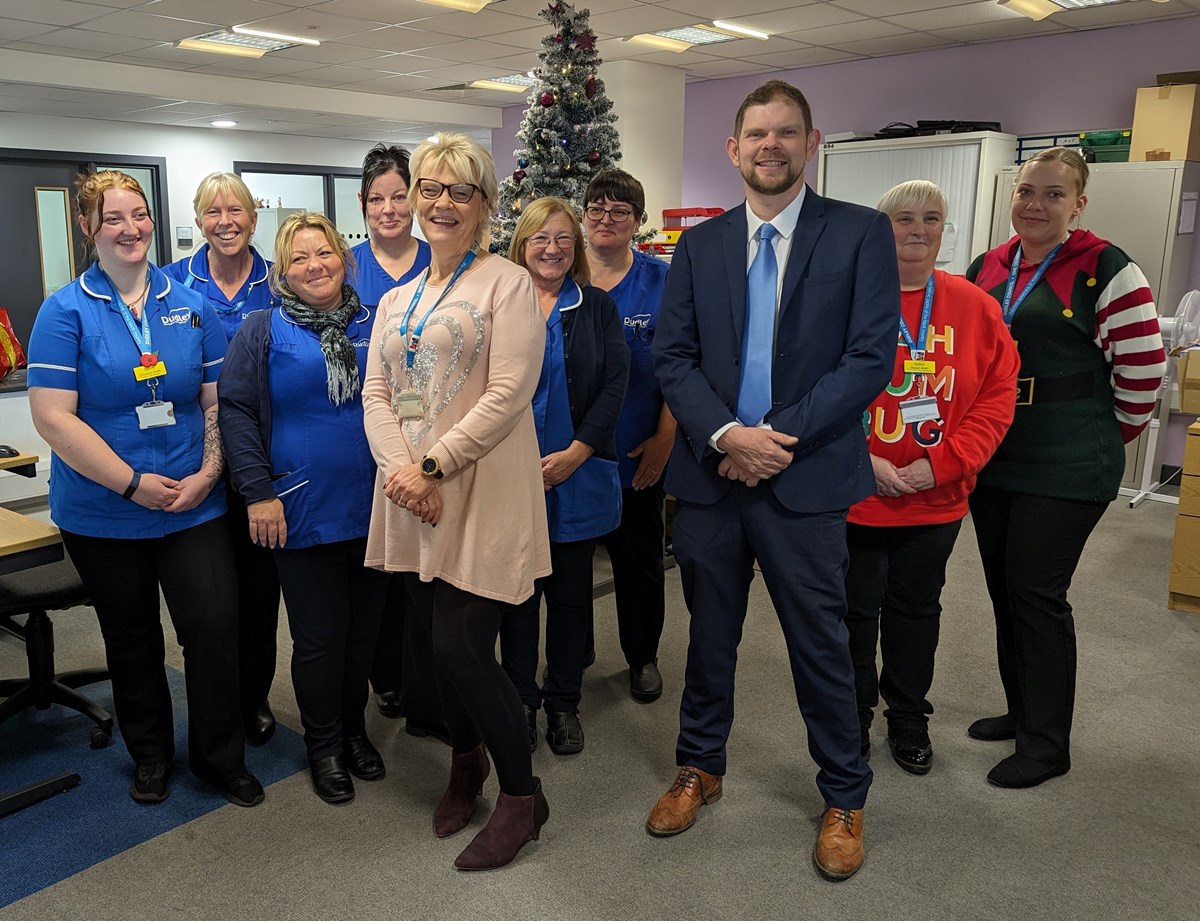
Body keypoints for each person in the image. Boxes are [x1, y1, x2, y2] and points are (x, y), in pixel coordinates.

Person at [646, 80, 899, 881]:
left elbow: (869, 358)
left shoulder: (859, 235)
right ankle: (700, 766)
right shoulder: (700, 245)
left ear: (811, 141)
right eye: (756, 133)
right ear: (733, 148)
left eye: (786, 132)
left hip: (805, 476)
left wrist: (771, 440)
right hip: (714, 477)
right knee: (709, 637)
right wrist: (725, 434)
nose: (771, 145)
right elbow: (673, 357)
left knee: (821, 644)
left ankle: (844, 793)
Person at [27, 169, 263, 808]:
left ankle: (220, 758)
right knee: (131, 639)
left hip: (194, 504)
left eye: (139, 215)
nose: (130, 229)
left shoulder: (193, 305)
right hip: (105, 511)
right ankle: (151, 755)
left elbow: (217, 402)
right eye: (113, 218)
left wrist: (209, 474)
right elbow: (53, 416)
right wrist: (132, 485)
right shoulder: (64, 310)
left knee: (214, 632)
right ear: (87, 228)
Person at [362, 132, 551, 871]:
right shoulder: (395, 296)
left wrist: (434, 463)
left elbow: (510, 392)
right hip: (412, 493)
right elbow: (378, 392)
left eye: (460, 191)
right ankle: (465, 762)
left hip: (479, 486)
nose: (442, 203)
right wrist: (401, 469)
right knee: (432, 653)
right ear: (412, 200)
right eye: (430, 189)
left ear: (484, 205)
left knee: (461, 647)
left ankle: (523, 798)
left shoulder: (506, 282)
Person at [965, 147, 1166, 789]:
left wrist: (1106, 434)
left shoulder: (1107, 267)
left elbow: (1143, 373)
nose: (1036, 204)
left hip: (1069, 458)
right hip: (997, 452)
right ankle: (1023, 711)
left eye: (1054, 194)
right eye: (1026, 191)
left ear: (1078, 203)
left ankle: (1048, 745)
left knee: (1036, 593)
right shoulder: (987, 266)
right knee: (1003, 589)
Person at [844, 180, 1019, 777]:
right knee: (853, 612)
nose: (918, 229)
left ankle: (908, 717)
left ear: (945, 229)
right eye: (903, 218)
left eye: (932, 218)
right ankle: (852, 719)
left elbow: (997, 399)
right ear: (880, 227)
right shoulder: (847, 298)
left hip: (937, 497)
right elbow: (811, 389)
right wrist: (861, 461)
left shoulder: (975, 305)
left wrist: (941, 464)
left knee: (917, 610)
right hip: (857, 493)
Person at [218, 211, 390, 805]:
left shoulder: (377, 320)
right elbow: (236, 412)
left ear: (344, 258)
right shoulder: (261, 330)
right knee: (320, 637)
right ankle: (323, 746)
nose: (315, 266)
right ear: (282, 272)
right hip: (298, 505)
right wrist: (258, 492)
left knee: (364, 634)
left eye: (325, 254)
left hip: (376, 504)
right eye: (299, 258)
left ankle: (354, 730)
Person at [498, 198, 629, 755]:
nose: (551, 249)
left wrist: (579, 450)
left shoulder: (595, 307)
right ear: (520, 246)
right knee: (518, 600)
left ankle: (564, 703)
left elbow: (616, 382)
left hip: (577, 475)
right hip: (509, 476)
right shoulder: (498, 305)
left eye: (563, 240)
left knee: (572, 598)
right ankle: (522, 701)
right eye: (539, 239)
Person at [163, 172, 281, 747]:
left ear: (253, 219)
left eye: (235, 210)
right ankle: (220, 702)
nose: (225, 221)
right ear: (199, 221)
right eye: (212, 212)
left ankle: (254, 697)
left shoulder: (280, 283)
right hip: (201, 466)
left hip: (263, 463)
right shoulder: (169, 287)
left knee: (260, 595)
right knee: (213, 601)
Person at [345, 142, 443, 740]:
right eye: (376, 199)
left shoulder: (444, 261)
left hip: (434, 452)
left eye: (399, 196)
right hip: (365, 443)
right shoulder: (343, 267)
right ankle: (386, 678)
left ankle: (427, 684)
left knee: (425, 577)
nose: (389, 209)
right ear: (362, 205)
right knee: (375, 574)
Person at [583, 170, 673, 704]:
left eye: (620, 210)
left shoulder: (663, 281)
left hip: (639, 449)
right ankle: (577, 651)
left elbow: (686, 366)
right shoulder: (559, 276)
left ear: (638, 221)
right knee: (567, 564)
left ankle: (642, 656)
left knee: (638, 563)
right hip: (571, 454)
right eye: (596, 208)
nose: (606, 219)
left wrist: (665, 435)